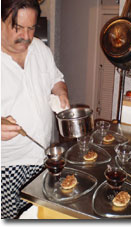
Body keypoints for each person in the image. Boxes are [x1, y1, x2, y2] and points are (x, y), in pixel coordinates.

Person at [1, 0, 70, 219]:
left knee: (40, 216)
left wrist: (61, 93)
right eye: (18, 28)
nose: (27, 36)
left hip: (42, 158)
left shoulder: (40, 49)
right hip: (7, 165)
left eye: (31, 28)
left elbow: (56, 80)